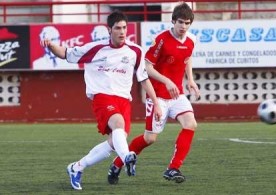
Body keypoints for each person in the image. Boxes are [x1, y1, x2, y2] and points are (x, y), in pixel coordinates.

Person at [40, 11, 162, 190]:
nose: (122, 32)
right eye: (118, 28)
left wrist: (156, 103)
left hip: (123, 101)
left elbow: (143, 78)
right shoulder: (95, 48)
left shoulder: (135, 51)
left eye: (124, 28)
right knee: (118, 124)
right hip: (102, 97)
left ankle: (77, 167)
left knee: (114, 142)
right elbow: (65, 53)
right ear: (109, 30)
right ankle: (127, 156)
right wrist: (51, 46)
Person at [108, 2, 200, 184]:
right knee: (150, 139)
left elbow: (188, 58)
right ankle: (117, 163)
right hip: (157, 97)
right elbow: (147, 67)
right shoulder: (161, 40)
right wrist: (167, 81)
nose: (183, 27)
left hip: (177, 95)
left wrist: (190, 79)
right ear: (173, 21)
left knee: (190, 124)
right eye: (180, 22)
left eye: (187, 23)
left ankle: (173, 168)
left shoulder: (191, 40)